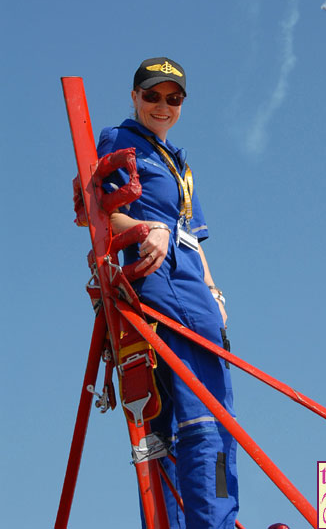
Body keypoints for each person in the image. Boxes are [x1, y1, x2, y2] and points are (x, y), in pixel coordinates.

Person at [97, 57, 239, 529]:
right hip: (159, 283)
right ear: (134, 97)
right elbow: (95, 211)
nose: (163, 105)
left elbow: (191, 234)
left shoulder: (177, 159)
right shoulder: (119, 141)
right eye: (153, 95)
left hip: (193, 287)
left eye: (173, 98)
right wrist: (141, 227)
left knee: (188, 421)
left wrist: (215, 290)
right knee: (204, 421)